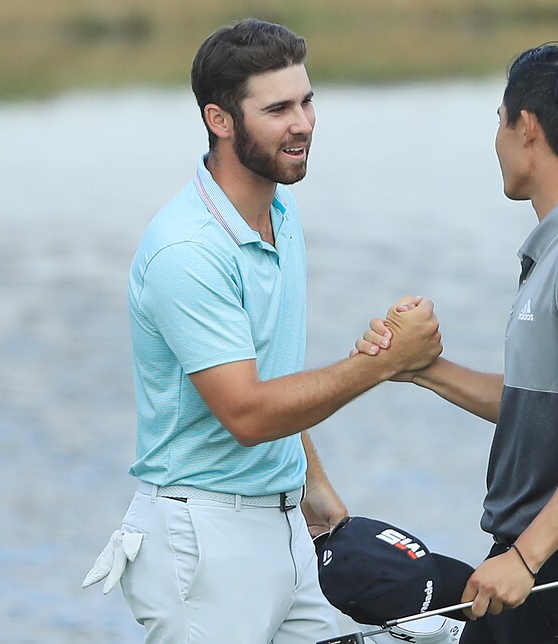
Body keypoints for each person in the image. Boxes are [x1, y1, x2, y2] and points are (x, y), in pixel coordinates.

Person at [81, 19, 442, 643]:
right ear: (220, 120)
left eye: (306, 101)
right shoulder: (188, 251)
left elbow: (274, 375)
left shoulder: (281, 210)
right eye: (277, 108)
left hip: (284, 524)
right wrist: (380, 365)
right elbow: (247, 413)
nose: (301, 123)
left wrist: (315, 484)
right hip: (203, 542)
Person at [355, 43, 558, 643]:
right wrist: (421, 367)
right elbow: (543, 407)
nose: (495, 138)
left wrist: (525, 558)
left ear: (528, 128)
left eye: (499, 120)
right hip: (544, 559)